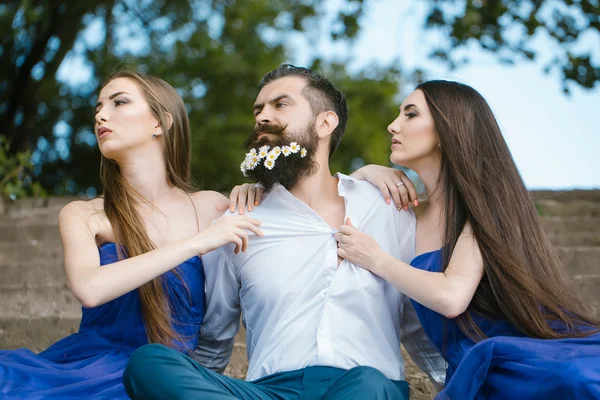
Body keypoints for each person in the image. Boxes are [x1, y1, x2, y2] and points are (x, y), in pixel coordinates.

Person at [123, 64, 445, 400]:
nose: (263, 116)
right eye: (258, 110)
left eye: (280, 105)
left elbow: (416, 321)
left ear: (325, 123)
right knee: (149, 363)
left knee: (369, 383)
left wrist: (453, 383)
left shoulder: (387, 208)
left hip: (363, 388)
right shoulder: (235, 223)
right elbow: (216, 336)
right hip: (268, 393)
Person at [0, 70, 262, 399]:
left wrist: (259, 192)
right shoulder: (84, 215)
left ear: (161, 123)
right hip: (86, 370)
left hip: (163, 376)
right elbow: (90, 289)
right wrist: (194, 244)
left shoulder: (209, 207)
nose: (100, 115)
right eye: (97, 108)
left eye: (118, 102)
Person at [332, 80, 600, 399]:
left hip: (524, 358)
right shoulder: (408, 217)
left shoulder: (488, 210)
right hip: (471, 368)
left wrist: (376, 259)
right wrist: (366, 173)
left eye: (411, 114)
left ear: (448, 130)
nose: (393, 125)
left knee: (574, 380)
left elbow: (451, 297)